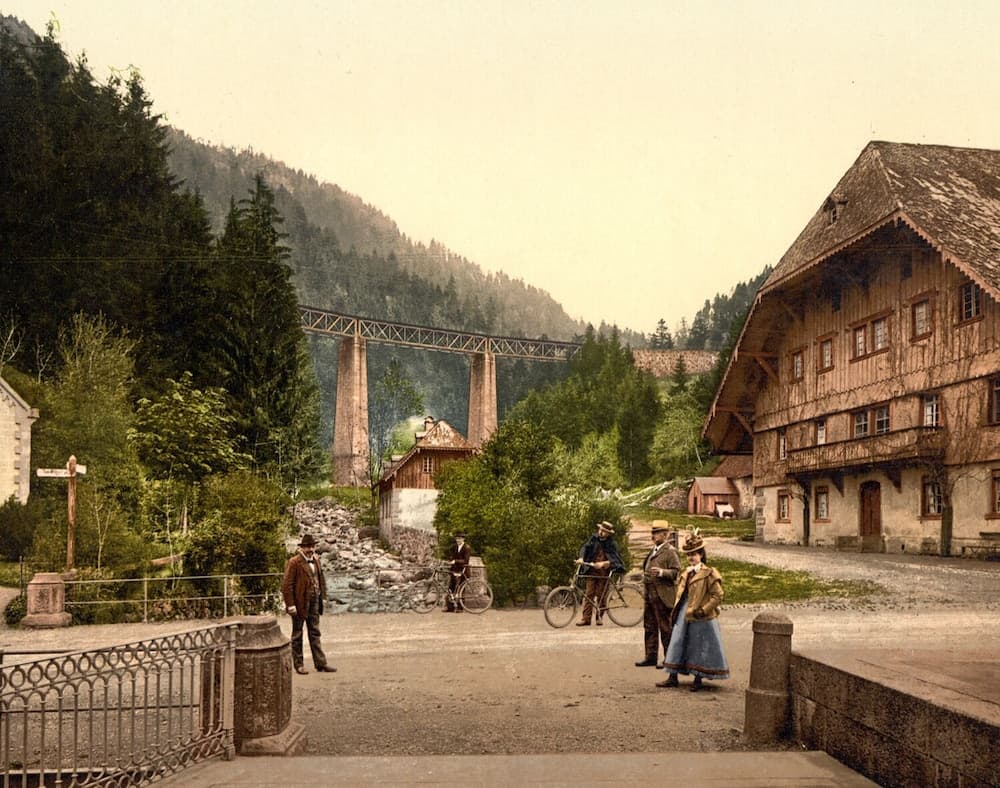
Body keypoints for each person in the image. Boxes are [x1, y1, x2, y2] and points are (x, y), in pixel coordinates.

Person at [656, 530, 729, 691]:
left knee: (698, 645)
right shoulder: (686, 573)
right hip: (684, 611)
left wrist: (704, 609)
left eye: (694, 554)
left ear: (701, 555)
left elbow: (718, 595)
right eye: (688, 555)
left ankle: (698, 678)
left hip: (701, 615)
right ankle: (672, 676)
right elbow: (680, 593)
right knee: (678, 641)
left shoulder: (708, 573)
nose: (691, 558)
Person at [281, 533, 337, 675]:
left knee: (315, 632)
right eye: (307, 547)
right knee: (297, 634)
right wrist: (290, 604)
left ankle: (320, 663)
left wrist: (322, 597)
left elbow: (321, 579)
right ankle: (299, 665)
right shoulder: (294, 562)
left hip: (314, 601)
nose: (310, 549)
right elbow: (287, 585)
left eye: (312, 546)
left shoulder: (316, 560)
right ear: (302, 548)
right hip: (299, 603)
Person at [635, 522, 681, 667]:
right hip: (650, 594)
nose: (653, 536)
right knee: (649, 626)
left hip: (663, 595)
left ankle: (669, 659)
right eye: (652, 533)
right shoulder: (653, 551)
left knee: (665, 628)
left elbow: (676, 572)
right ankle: (651, 656)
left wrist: (661, 572)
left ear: (665, 535)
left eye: (656, 533)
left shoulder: (670, 551)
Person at [574, 520, 625, 626]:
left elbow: (616, 560)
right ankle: (586, 619)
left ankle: (599, 617)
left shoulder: (612, 544)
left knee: (601, 595)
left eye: (604, 531)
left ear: (608, 533)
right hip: (591, 571)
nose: (601, 532)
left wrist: (605, 563)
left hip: (604, 574)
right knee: (589, 594)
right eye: (601, 530)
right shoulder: (593, 539)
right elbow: (585, 547)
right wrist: (581, 558)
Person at [445, 532, 472, 612]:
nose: (458, 540)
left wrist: (455, 561)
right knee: (451, 587)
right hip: (455, 570)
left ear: (463, 539)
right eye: (457, 538)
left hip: (463, 570)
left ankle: (460, 608)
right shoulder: (455, 547)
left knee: (461, 589)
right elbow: (452, 557)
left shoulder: (467, 548)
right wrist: (449, 561)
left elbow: (466, 561)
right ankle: (450, 608)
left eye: (459, 538)